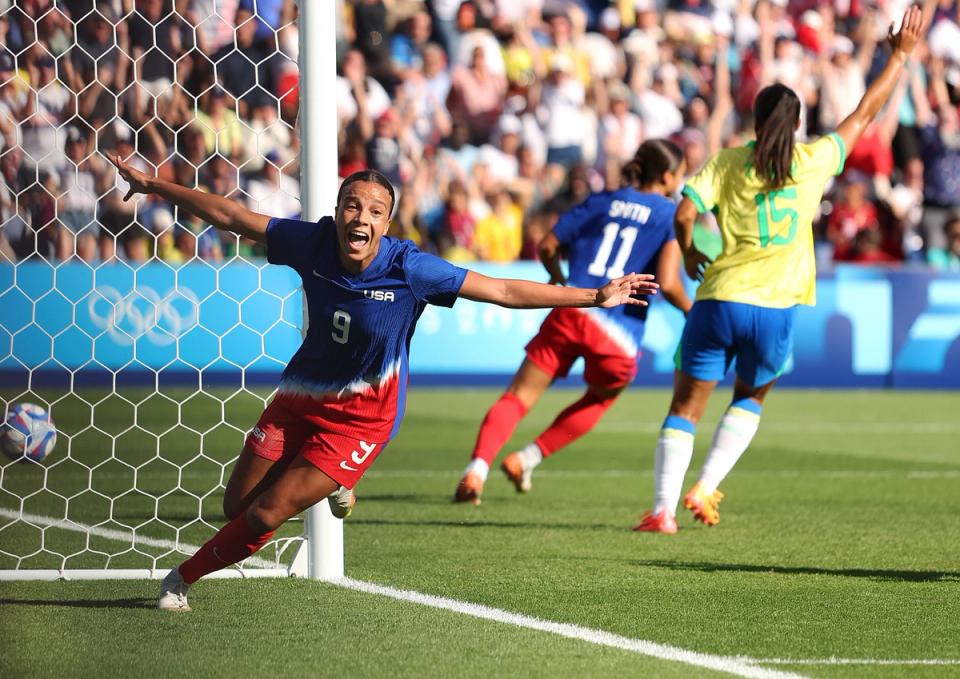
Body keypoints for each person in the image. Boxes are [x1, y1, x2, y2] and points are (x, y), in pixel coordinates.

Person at [106, 160, 658, 611]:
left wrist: (593, 295)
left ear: (387, 224)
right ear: (338, 211)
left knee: (270, 513)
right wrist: (154, 185)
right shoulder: (314, 243)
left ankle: (179, 579)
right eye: (352, 205)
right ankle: (337, 484)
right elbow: (233, 217)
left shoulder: (411, 269)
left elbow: (505, 292)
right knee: (237, 508)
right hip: (299, 399)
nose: (360, 217)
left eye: (375, 210)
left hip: (362, 420)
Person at [634, 6, 926, 534]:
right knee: (749, 398)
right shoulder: (813, 160)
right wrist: (899, 57)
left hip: (719, 296)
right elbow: (865, 112)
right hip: (776, 306)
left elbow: (684, 211)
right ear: (796, 124)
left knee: (686, 405)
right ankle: (707, 484)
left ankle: (662, 511)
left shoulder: (726, 162)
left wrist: (690, 248)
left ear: (753, 116)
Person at [454, 140, 692, 505]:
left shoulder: (601, 200)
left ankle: (476, 470)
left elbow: (547, 245)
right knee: (600, 398)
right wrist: (693, 312)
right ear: (666, 176)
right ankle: (526, 458)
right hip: (620, 330)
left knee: (518, 397)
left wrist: (558, 279)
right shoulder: (668, 214)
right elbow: (670, 281)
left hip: (574, 308)